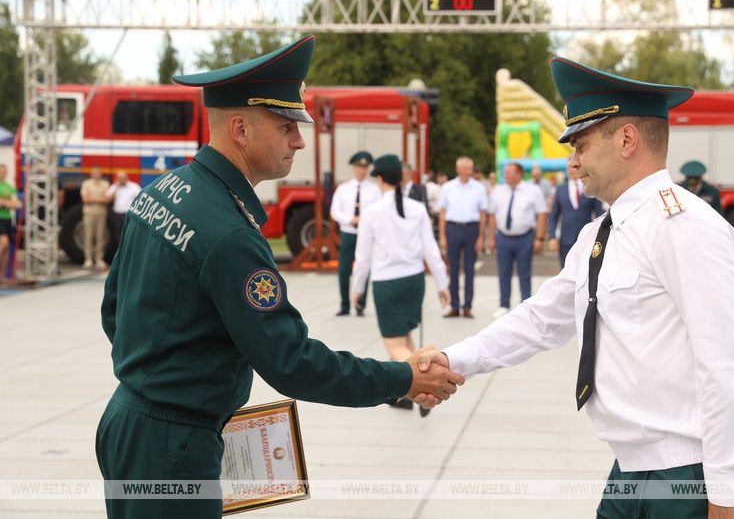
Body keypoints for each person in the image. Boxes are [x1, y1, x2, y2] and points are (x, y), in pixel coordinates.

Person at [95, 36, 464, 519]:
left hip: (131, 423)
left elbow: (114, 310)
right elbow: (292, 361)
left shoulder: (162, 190)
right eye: (287, 126)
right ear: (241, 129)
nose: (299, 141)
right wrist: (402, 377)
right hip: (172, 446)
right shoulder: (230, 234)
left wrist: (161, 378)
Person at [419, 59, 734, 519]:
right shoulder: (601, 232)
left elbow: (727, 361)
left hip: (690, 474)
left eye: (581, 145)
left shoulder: (684, 226)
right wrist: (453, 360)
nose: (573, 162)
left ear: (626, 140)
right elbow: (542, 319)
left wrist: (726, 490)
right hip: (632, 466)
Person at [352, 154, 450, 416]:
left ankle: (424, 388)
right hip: (414, 281)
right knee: (405, 337)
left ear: (380, 179)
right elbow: (431, 251)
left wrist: (357, 289)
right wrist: (442, 284)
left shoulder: (371, 211)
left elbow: (362, 258)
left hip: (387, 283)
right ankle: (406, 394)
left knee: (394, 345)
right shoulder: (417, 208)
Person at [488, 162, 547, 318]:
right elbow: (492, 215)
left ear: (519, 174)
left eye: (509, 173)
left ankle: (525, 306)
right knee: (503, 273)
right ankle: (503, 305)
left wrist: (539, 238)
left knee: (525, 274)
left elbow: (541, 214)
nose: (506, 176)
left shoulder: (533, 191)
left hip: (525, 237)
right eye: (505, 173)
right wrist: (491, 237)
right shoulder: (498, 191)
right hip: (503, 237)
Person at [329, 151, 380, 316]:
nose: (362, 170)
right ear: (354, 168)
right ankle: (344, 305)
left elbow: (378, 210)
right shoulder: (343, 189)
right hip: (348, 232)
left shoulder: (374, 190)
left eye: (365, 167)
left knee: (364, 267)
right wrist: (350, 219)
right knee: (344, 269)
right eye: (359, 167)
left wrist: (364, 220)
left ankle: (360, 304)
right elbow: (335, 211)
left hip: (366, 234)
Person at [438, 156, 488, 318]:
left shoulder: (479, 188)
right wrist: (442, 236)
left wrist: (481, 237)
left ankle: (467, 306)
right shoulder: (447, 187)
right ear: (458, 169)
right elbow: (442, 213)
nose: (469, 171)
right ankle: (454, 305)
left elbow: (483, 214)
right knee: (452, 269)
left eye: (470, 168)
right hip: (452, 228)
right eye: (465, 168)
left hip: (471, 229)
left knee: (469, 269)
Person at [548, 162, 604, 269]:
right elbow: (554, 215)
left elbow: (599, 214)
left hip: (587, 239)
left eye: (575, 167)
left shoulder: (590, 188)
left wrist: (600, 236)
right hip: (566, 239)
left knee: (585, 270)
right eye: (570, 167)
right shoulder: (560, 190)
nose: (572, 170)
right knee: (566, 270)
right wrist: (552, 237)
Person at [80, 166, 111, 269]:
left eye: (98, 173)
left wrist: (92, 199)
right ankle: (88, 259)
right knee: (88, 236)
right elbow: (85, 199)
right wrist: (100, 199)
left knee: (100, 237)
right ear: (91, 174)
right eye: (95, 173)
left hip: (101, 213)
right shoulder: (86, 184)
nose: (96, 175)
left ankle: (99, 259)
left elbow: (107, 200)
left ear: (101, 174)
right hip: (89, 213)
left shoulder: (105, 184)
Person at [106, 171, 142, 249]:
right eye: (119, 178)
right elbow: (107, 200)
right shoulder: (114, 186)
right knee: (117, 237)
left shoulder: (134, 187)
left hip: (129, 216)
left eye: (123, 178)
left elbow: (141, 200)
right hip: (117, 216)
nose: (121, 180)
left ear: (126, 177)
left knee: (129, 236)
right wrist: (116, 187)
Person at [0, 163, 22, 282]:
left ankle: (2, 276)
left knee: (7, 247)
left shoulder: (9, 187)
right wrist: (7, 203)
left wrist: (4, 203)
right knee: (3, 243)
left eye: (4, 172)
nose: (3, 174)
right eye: (1, 172)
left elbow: (16, 204)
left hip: (7, 219)